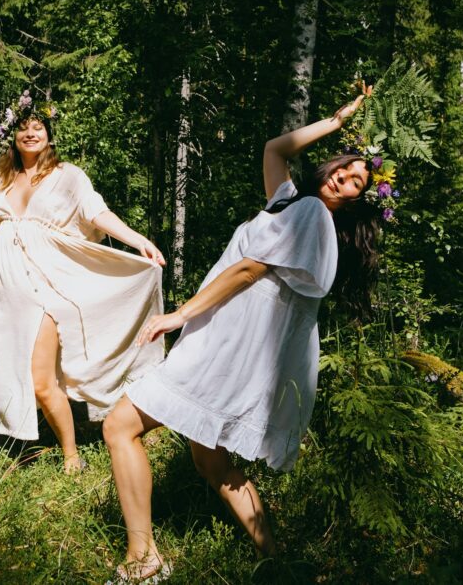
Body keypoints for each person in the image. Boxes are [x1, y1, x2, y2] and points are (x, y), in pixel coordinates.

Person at [102, 88, 380, 582]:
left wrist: (176, 315)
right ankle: (275, 561)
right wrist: (336, 122)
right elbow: (275, 149)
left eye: (358, 181)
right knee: (211, 460)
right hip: (229, 343)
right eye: (345, 167)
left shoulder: (313, 216)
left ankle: (142, 558)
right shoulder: (291, 201)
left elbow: (249, 271)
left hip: (230, 349)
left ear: (359, 200)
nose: (345, 178)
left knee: (119, 426)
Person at [0, 91, 166, 473]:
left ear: (49, 134)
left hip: (49, 281)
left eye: (37, 126)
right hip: (5, 289)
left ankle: (72, 456)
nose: (30, 133)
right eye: (23, 127)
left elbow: (98, 213)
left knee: (41, 380)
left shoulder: (68, 176)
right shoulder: (1, 181)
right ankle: (10, 437)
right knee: (8, 364)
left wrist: (138, 240)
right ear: (12, 137)